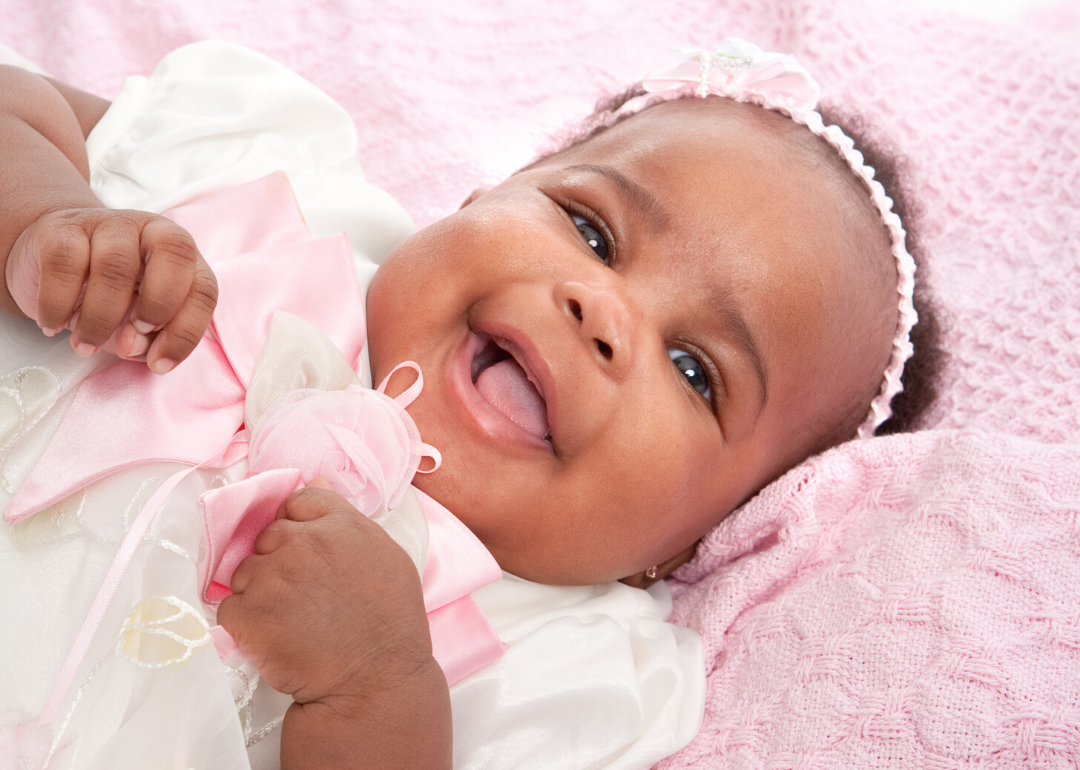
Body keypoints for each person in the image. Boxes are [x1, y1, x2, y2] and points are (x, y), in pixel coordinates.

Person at [0, 38, 939, 769]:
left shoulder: (562, 672)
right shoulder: (277, 183)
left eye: (696, 370)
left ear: (687, 545)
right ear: (481, 195)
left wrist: (375, 691)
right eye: (590, 229)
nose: (602, 312)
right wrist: (49, 222)